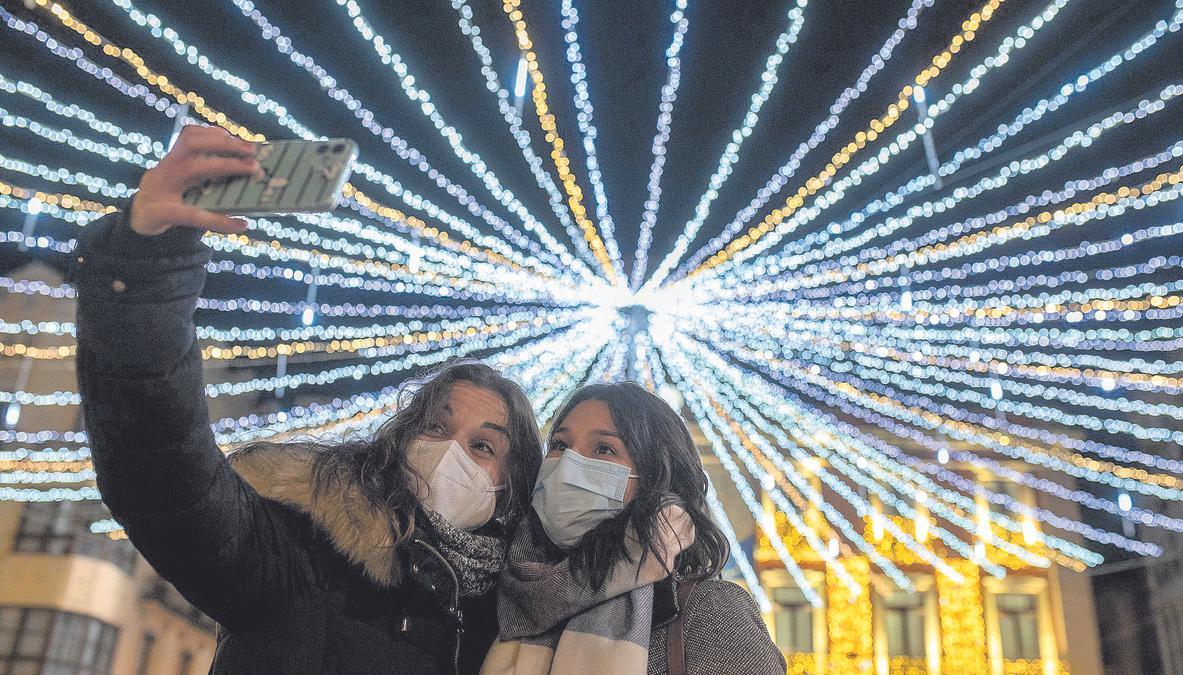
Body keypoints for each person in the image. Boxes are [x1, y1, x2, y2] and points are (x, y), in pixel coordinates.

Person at [70, 125, 542, 673]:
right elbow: (163, 467)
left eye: (483, 446)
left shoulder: (511, 628)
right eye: (435, 427)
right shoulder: (297, 555)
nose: (451, 452)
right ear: (401, 439)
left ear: (511, 487)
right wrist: (146, 266)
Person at [481, 382, 785, 675]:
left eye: (604, 449)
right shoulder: (506, 602)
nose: (568, 464)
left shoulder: (708, 612)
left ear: (655, 477)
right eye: (560, 444)